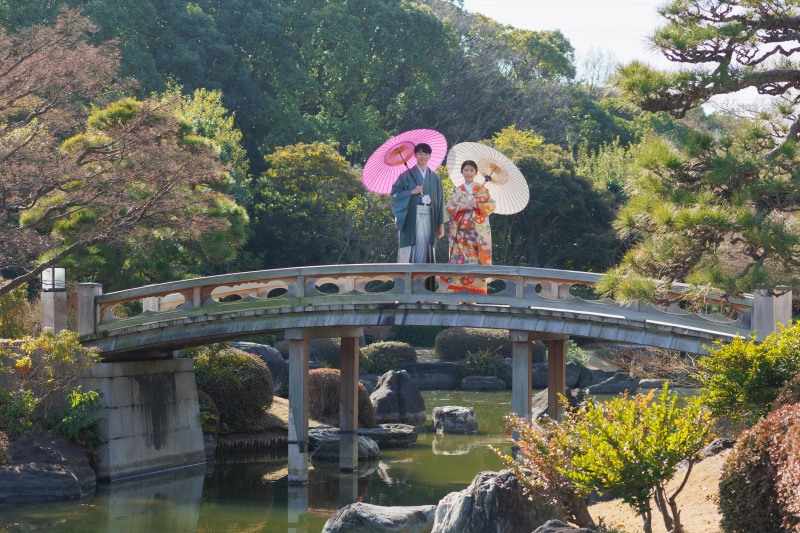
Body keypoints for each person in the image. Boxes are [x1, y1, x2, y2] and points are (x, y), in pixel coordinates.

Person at [445, 159, 495, 294]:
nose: (468, 173)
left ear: (476, 172)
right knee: (458, 261)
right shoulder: (457, 191)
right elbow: (448, 207)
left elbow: (491, 206)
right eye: (466, 170)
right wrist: (460, 206)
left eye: (471, 170)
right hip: (460, 233)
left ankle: (474, 297)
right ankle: (456, 294)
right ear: (461, 172)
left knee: (476, 262)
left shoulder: (482, 190)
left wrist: (477, 205)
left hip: (476, 235)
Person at [390, 143, 445, 263]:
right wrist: (411, 192)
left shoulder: (435, 178)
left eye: (426, 154)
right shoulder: (405, 176)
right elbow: (394, 195)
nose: (423, 156)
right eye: (420, 153)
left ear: (430, 156)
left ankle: (426, 280)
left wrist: (441, 224)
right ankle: (407, 279)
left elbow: (440, 201)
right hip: (411, 217)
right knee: (410, 250)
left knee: (427, 249)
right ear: (415, 155)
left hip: (430, 218)